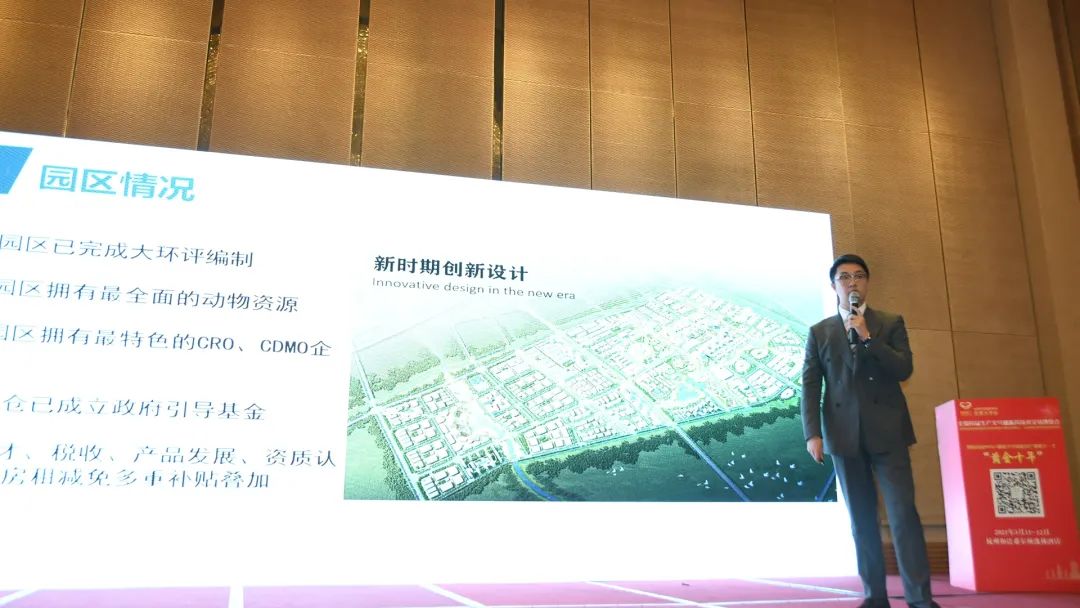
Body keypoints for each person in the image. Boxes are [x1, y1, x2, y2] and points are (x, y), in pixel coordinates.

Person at [800, 254, 939, 608]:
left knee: (903, 514)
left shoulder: (889, 322)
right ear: (834, 285)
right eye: (844, 277)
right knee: (862, 521)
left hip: (888, 433)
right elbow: (811, 385)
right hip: (843, 435)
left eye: (859, 276)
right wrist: (812, 433)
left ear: (867, 283)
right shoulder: (820, 332)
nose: (852, 282)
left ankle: (920, 599)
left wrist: (868, 337)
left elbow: (904, 369)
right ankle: (874, 597)